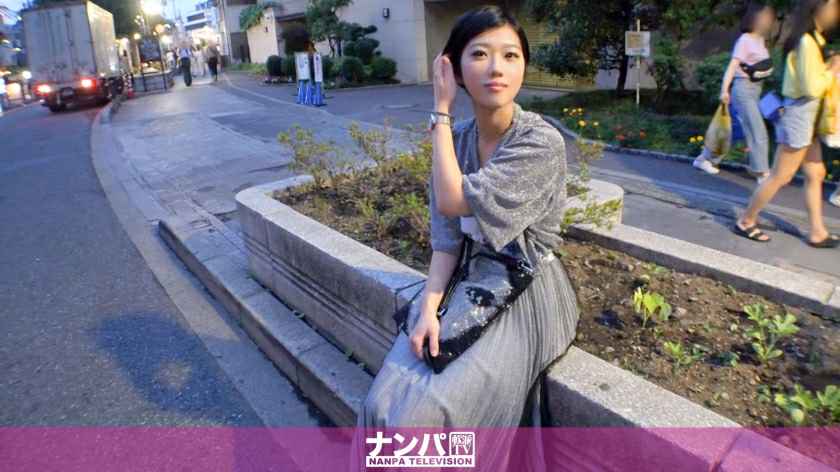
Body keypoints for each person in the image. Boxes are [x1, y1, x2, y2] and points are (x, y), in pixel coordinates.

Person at [352, 6, 580, 469]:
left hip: (528, 293)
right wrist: (428, 309)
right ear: (454, 69)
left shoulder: (540, 142)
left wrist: (439, 108)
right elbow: (446, 240)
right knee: (382, 405)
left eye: (511, 55)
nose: (497, 68)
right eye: (479, 54)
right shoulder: (455, 139)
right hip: (467, 279)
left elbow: (454, 200)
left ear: (524, 66)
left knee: (423, 418)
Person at [735, 0, 840, 248]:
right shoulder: (806, 42)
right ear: (819, 8)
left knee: (816, 173)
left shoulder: (814, 40)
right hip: (800, 116)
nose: (836, 12)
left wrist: (828, 65)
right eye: (833, 6)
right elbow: (811, 87)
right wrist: (833, 69)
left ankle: (817, 231)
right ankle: (746, 220)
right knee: (781, 175)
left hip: (808, 118)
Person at [693, 2, 776, 184]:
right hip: (743, 90)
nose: (769, 20)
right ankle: (762, 172)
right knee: (757, 130)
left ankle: (703, 159)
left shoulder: (760, 40)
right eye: (765, 16)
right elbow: (732, 66)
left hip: (756, 90)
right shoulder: (745, 40)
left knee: (732, 130)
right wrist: (724, 90)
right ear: (754, 18)